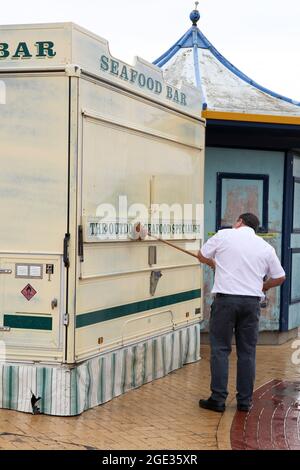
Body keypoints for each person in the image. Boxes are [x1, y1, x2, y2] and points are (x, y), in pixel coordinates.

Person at [197, 213, 285, 412]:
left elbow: (201, 254)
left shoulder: (224, 235)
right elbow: (280, 277)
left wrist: (213, 264)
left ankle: (218, 399)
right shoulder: (265, 247)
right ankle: (245, 402)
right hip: (250, 303)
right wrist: (264, 286)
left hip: (225, 302)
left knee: (220, 349)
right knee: (247, 352)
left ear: (239, 222)